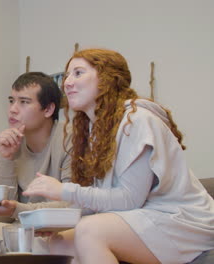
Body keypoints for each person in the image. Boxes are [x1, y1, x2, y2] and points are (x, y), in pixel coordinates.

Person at [23, 49, 214, 264]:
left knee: (90, 230)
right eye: (67, 75)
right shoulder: (94, 131)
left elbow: (129, 199)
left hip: (179, 221)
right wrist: (60, 221)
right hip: (143, 216)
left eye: (78, 73)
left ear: (107, 79)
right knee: (60, 242)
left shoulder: (137, 120)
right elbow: (100, 198)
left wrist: (63, 190)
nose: (67, 82)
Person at [0, 72, 72, 254]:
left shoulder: (70, 139)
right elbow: (3, 218)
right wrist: (5, 159)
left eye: (24, 102)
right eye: (11, 101)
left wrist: (17, 209)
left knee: (40, 244)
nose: (13, 109)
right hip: (21, 228)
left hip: (59, 228)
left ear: (48, 110)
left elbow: (72, 205)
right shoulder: (12, 142)